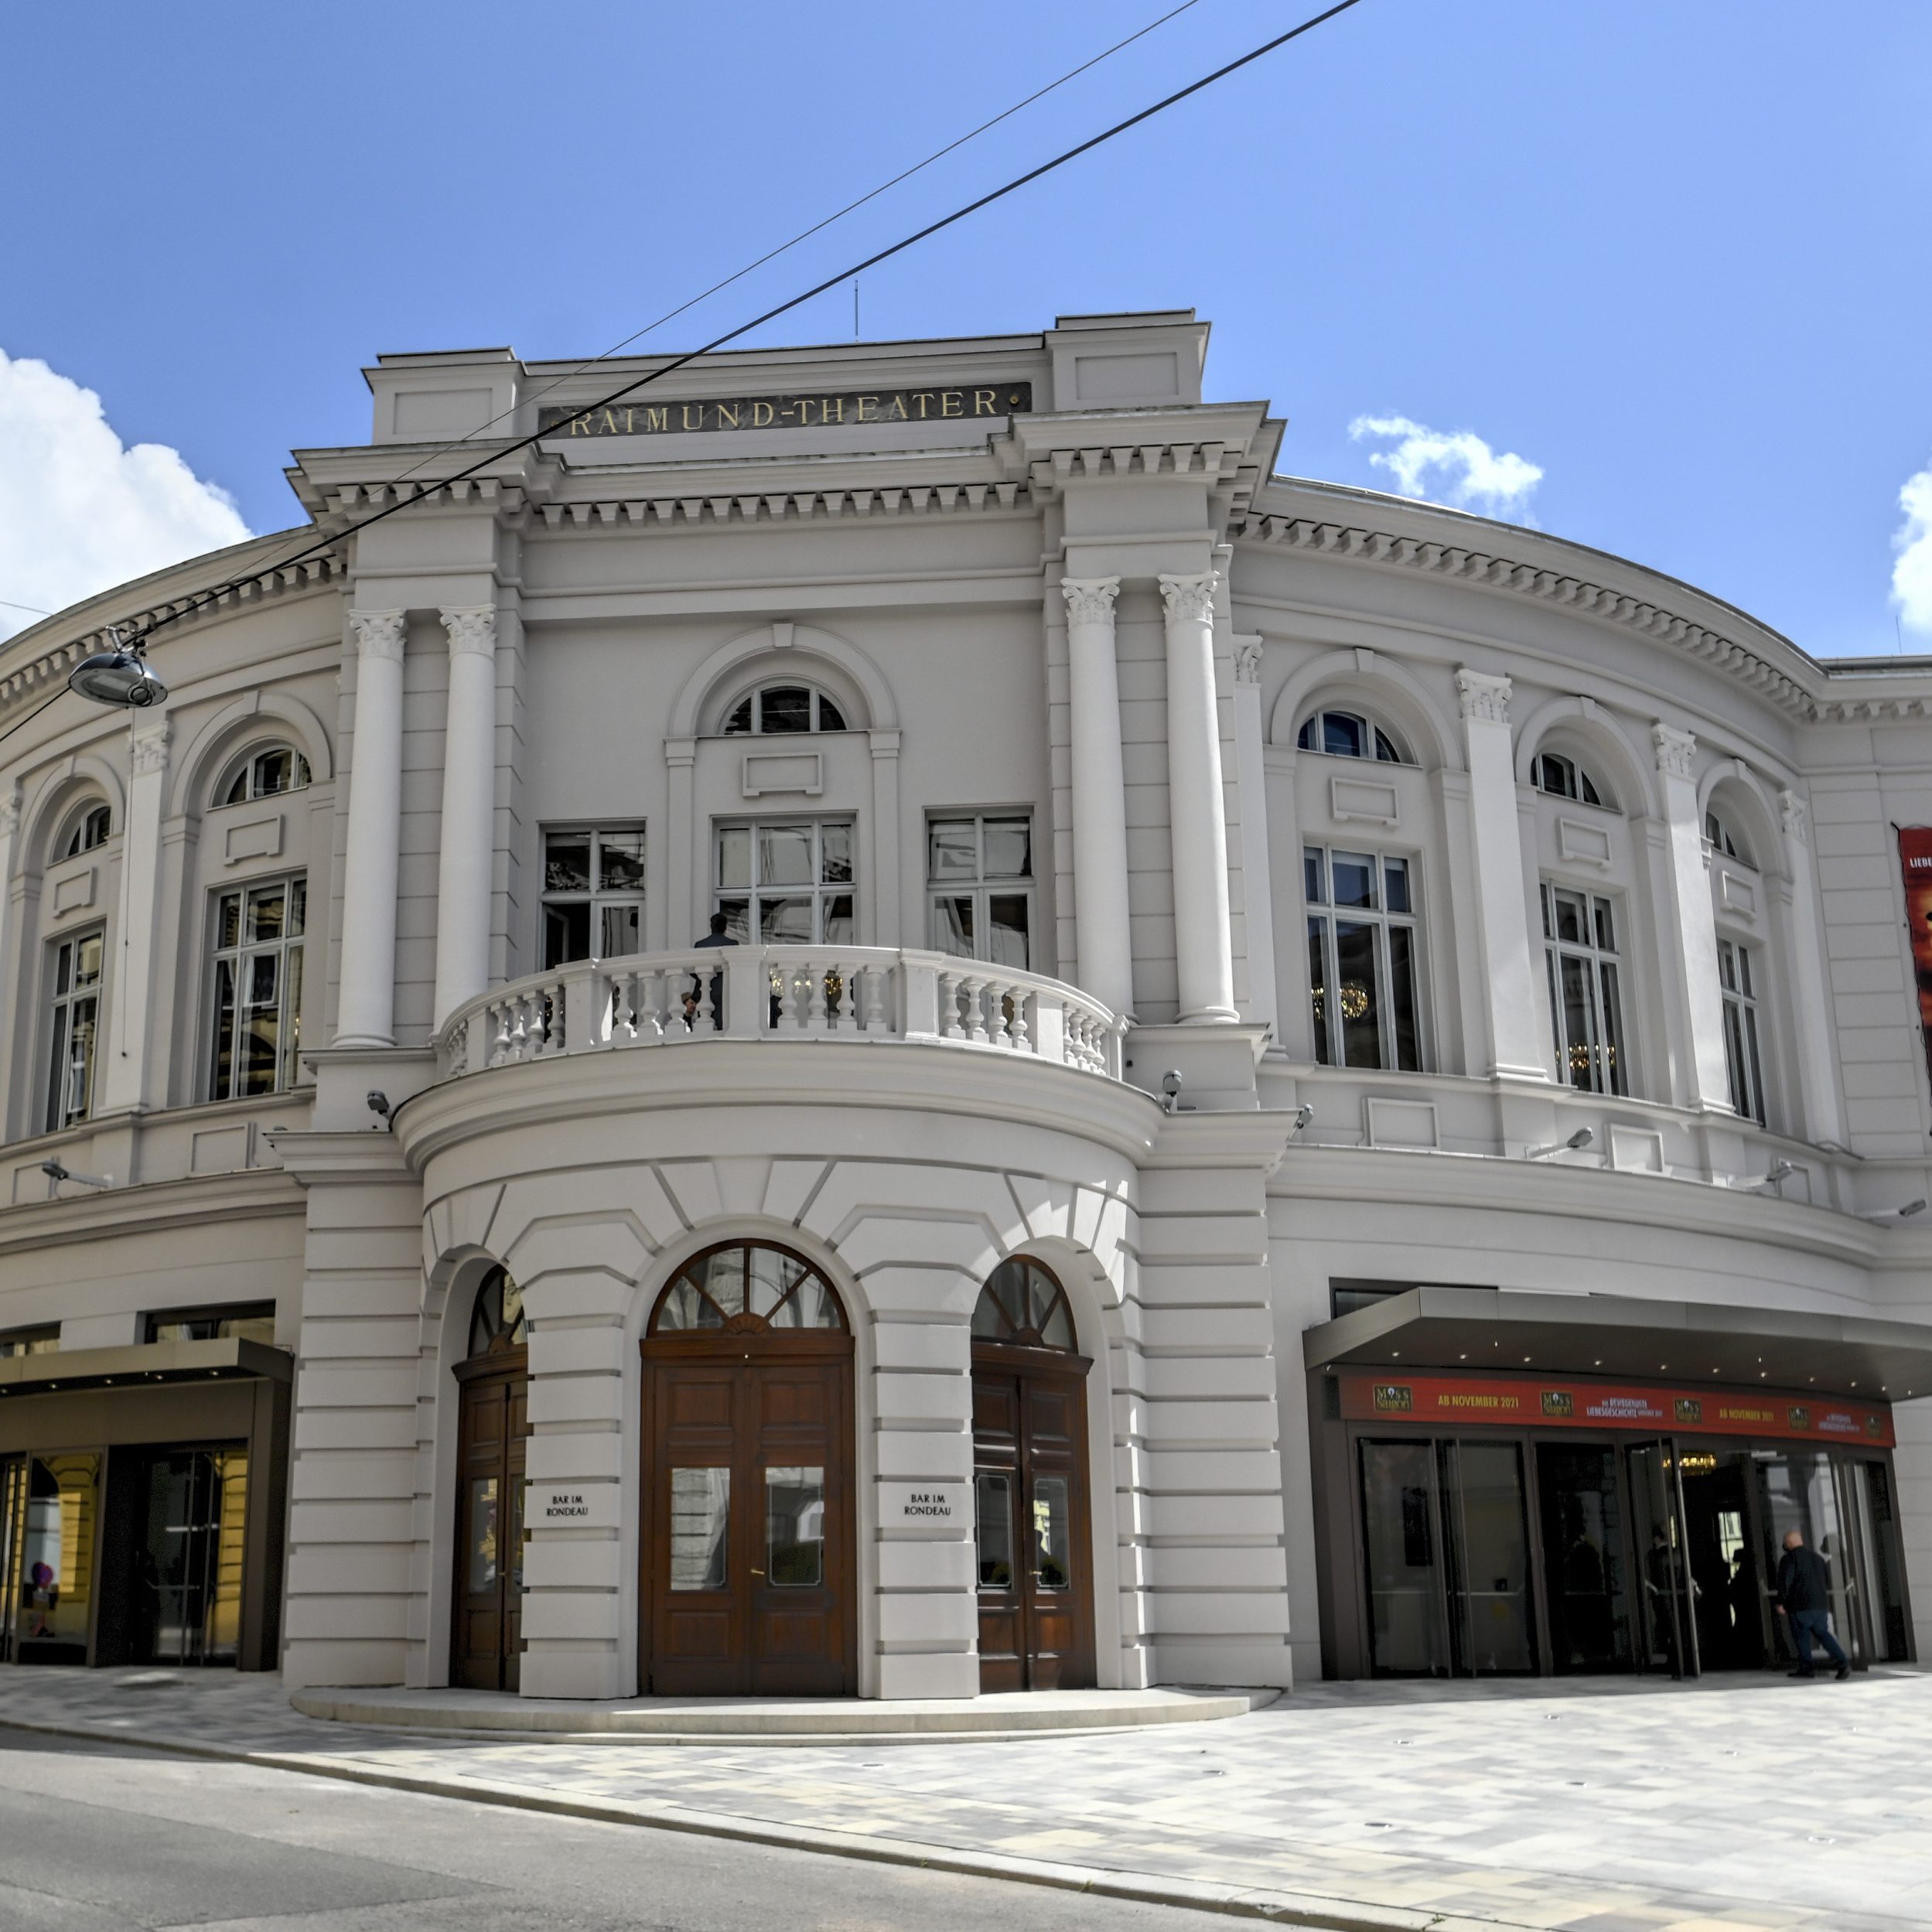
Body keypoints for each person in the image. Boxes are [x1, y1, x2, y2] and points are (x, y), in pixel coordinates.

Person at [1775, 1529, 1851, 1681]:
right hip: (1820, 1605)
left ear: (1788, 1544)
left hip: (1799, 1605)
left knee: (1801, 1637)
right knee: (1823, 1634)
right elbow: (1826, 1581)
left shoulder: (1789, 1559)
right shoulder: (1818, 1559)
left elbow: (1785, 1582)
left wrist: (1781, 1602)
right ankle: (1842, 1663)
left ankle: (1806, 1668)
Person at [687, 911, 737, 1026]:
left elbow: (693, 969)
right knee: (722, 1026)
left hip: (703, 990)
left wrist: (701, 977)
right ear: (725, 927)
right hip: (724, 990)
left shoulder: (700, 945)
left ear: (711, 927)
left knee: (705, 1026)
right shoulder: (732, 944)